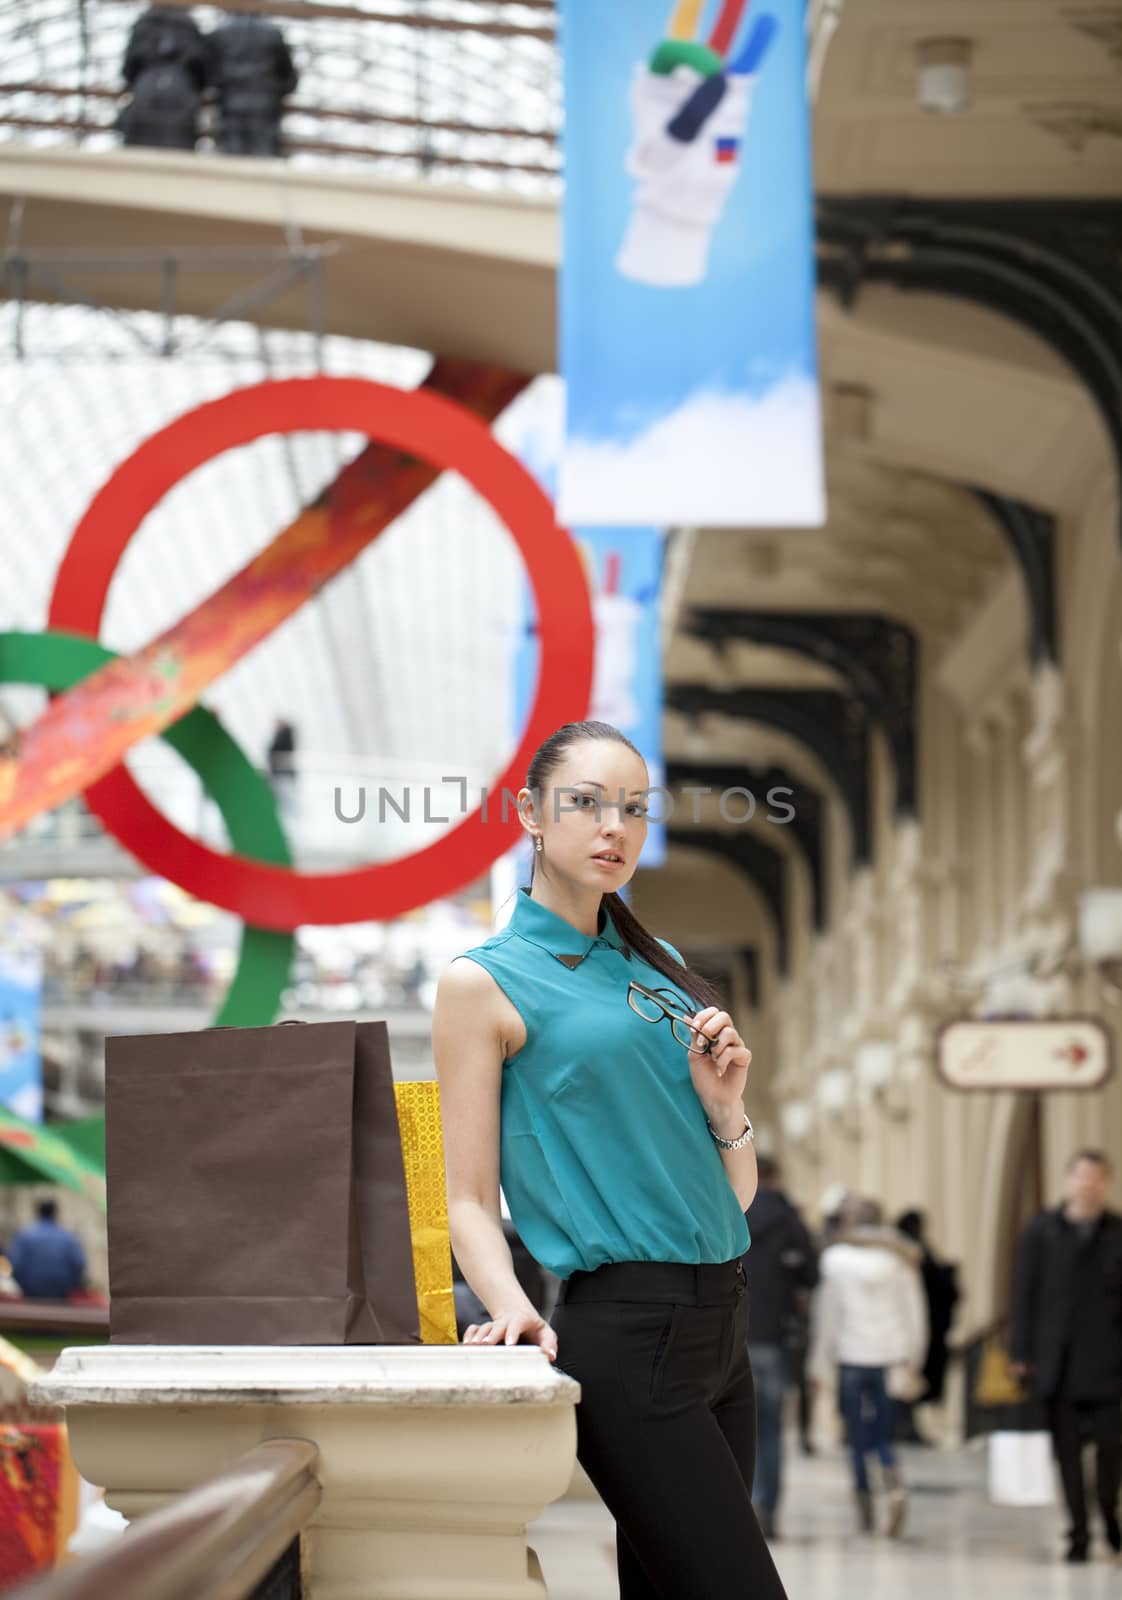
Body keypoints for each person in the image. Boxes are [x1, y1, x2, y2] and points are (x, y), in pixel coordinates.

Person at [432, 720, 787, 1600]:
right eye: (585, 803)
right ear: (530, 814)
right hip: (629, 1334)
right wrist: (515, 1313)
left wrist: (727, 1107)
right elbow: (468, 1199)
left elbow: (731, 1197)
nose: (613, 828)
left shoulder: (654, 971)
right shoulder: (485, 981)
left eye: (632, 809)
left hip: (723, 1328)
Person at [1010, 1148, 1122, 1564]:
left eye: (1096, 1177)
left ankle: (1109, 1516)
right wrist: (1020, 1350)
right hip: (1059, 1361)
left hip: (1111, 1363)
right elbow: (1024, 1292)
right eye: (1081, 1176)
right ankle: (1077, 1529)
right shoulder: (1042, 1231)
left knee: (1112, 1451)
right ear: (1069, 1180)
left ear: (1105, 1183)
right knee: (1068, 1455)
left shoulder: (1116, 1232)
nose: (1088, 1184)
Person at [810, 1195, 927, 1538]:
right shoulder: (900, 1262)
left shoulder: (835, 1261)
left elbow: (828, 1318)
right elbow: (914, 1314)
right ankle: (893, 1485)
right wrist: (913, 1357)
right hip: (889, 1357)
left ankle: (864, 1506)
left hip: (851, 1358)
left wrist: (818, 1365)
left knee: (857, 1436)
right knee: (883, 1434)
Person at [743, 1154, 818, 1539]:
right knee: (772, 1429)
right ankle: (767, 1505)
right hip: (775, 1338)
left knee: (735, 1428)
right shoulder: (791, 1222)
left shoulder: (730, 1211)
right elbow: (812, 1275)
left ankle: (741, 1505)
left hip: (734, 1338)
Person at [894, 1207, 959, 1443]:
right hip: (910, 1330)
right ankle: (901, 1426)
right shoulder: (908, 1254)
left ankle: (904, 1426)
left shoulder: (912, 1252)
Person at [206, 15, 298, 158]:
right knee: (263, 157)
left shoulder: (220, 32)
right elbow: (289, 78)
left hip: (231, 104)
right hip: (264, 105)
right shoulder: (273, 33)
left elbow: (209, 73)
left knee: (232, 158)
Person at [118, 5, 207, 151]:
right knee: (178, 149)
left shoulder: (144, 23)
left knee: (140, 148)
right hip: (181, 89)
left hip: (146, 87)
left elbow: (129, 68)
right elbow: (200, 66)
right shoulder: (189, 25)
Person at [6, 1200, 87, 1302]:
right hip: (61, 1295)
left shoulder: (25, 1235)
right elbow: (79, 1264)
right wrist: (70, 1284)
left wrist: (23, 1283)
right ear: (55, 1213)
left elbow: (15, 1264)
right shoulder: (69, 1237)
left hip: (30, 1294)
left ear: (38, 1212)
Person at [267, 717, 298, 817]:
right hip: (280, 772)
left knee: (287, 795)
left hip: (282, 771)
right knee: (283, 796)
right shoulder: (283, 735)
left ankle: (290, 815)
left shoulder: (284, 735)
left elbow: (277, 751)